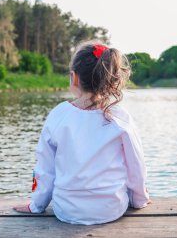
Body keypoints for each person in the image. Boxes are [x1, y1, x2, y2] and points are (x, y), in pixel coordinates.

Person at [13, 40, 151, 225]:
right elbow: (136, 165)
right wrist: (139, 200)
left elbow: (45, 169)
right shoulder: (120, 116)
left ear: (74, 77)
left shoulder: (59, 114)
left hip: (67, 210)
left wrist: (36, 205)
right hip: (111, 209)